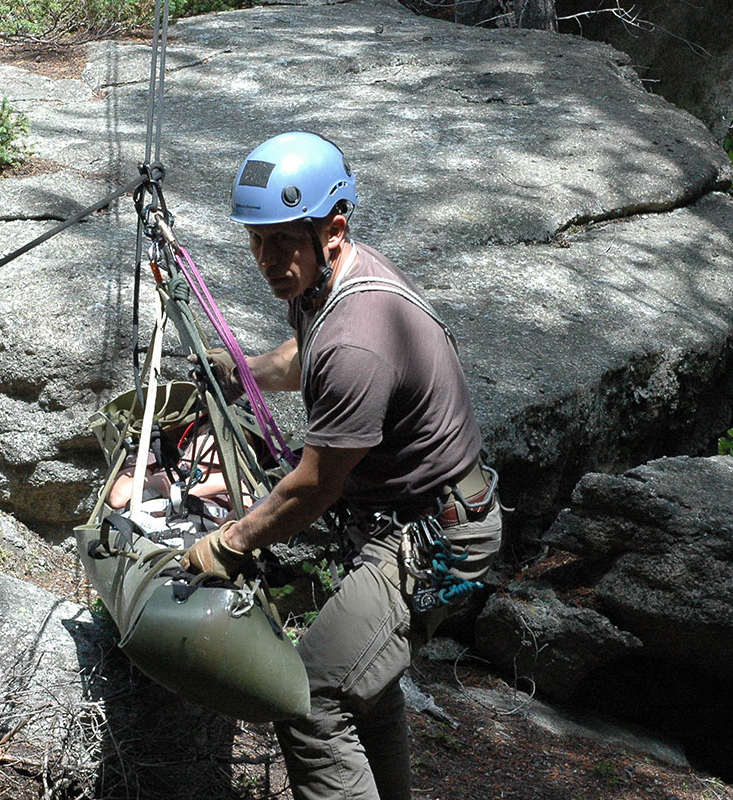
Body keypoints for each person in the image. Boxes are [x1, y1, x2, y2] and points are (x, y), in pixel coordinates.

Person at [180, 131, 502, 800]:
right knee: (363, 689)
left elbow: (315, 486)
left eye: (282, 243)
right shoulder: (325, 279)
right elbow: (304, 355)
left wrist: (229, 542)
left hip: (437, 538)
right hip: (416, 519)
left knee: (313, 703)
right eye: (257, 240)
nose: (267, 259)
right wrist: (242, 374)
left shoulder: (360, 338)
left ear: (333, 229)